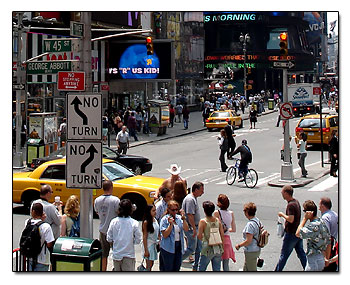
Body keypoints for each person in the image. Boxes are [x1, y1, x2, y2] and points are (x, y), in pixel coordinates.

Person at [275, 185, 307, 271]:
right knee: (301, 253)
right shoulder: (296, 202)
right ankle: (308, 269)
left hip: (291, 234)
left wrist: (282, 215)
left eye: (282, 192)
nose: (281, 193)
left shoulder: (291, 205)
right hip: (298, 233)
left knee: (284, 255)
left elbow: (291, 219)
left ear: (286, 193)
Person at [106, 199, 142, 271]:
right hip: (129, 255)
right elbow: (138, 240)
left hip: (116, 255)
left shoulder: (114, 222)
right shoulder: (134, 223)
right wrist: (131, 242)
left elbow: (109, 238)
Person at [296, 200, 331, 271]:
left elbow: (298, 233)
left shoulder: (313, 226)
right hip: (321, 258)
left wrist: (304, 219)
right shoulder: (322, 222)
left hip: (313, 260)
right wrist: (327, 258)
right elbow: (328, 241)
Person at [94, 180, 120, 271]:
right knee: (116, 252)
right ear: (111, 187)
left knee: (104, 254)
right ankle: (115, 269)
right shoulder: (115, 200)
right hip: (114, 231)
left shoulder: (97, 200)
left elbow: (97, 212)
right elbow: (119, 212)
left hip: (103, 230)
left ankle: (103, 270)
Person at [159, 200, 189, 271]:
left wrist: (184, 218)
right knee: (168, 268)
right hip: (168, 247)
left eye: (176, 210)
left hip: (178, 245)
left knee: (177, 267)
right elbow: (165, 235)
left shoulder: (179, 218)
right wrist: (170, 224)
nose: (175, 212)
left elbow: (186, 229)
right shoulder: (164, 220)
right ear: (168, 210)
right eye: (173, 210)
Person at [181, 181, 204, 271]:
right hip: (191, 228)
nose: (203, 192)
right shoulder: (190, 199)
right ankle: (178, 260)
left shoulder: (193, 198)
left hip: (195, 227)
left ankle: (196, 267)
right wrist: (194, 229)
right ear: (196, 190)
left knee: (199, 248)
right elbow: (190, 215)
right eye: (201, 190)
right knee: (191, 248)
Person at [25, 203, 55, 271]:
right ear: (42, 213)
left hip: (29, 257)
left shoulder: (27, 222)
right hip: (42, 260)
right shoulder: (46, 226)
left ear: (33, 211)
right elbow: (49, 244)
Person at [197, 201, 224, 271]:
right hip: (217, 247)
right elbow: (222, 235)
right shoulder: (217, 221)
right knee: (217, 269)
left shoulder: (203, 221)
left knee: (201, 268)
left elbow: (199, 236)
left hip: (207, 249)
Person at [235, 202, 261, 271]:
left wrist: (239, 245)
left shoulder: (250, 225)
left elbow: (248, 241)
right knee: (246, 269)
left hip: (251, 251)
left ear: (247, 212)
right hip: (256, 249)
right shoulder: (257, 220)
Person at [213, 194, 236, 271]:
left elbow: (215, 228)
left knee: (217, 264)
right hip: (227, 241)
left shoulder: (217, 213)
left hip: (219, 240)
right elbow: (233, 229)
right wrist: (227, 229)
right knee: (226, 265)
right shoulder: (231, 213)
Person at [319, 197, 338, 271]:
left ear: (323, 206)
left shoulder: (324, 218)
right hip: (335, 242)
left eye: (320, 204)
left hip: (328, 245)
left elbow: (326, 235)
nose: (319, 207)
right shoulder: (334, 214)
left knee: (326, 267)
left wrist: (325, 256)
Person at [142, 205, 160, 271]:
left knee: (151, 264)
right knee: (149, 265)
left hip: (154, 245)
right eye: (153, 211)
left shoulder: (155, 220)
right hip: (149, 245)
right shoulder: (146, 222)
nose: (155, 212)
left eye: (155, 210)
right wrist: (146, 250)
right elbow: (144, 236)